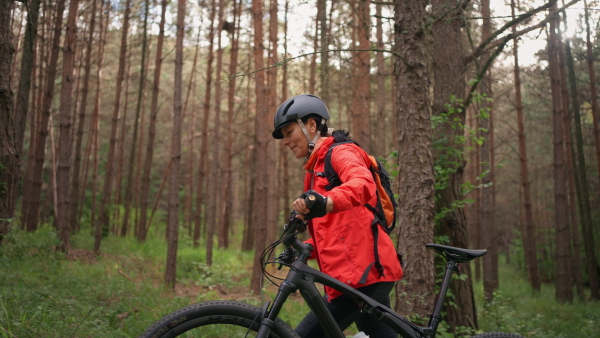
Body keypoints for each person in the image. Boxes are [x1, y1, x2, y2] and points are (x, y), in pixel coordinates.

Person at [272, 93, 403, 337]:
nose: (285, 141)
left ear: (311, 125)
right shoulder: (315, 169)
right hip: (356, 277)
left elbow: (363, 184)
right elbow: (335, 232)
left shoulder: (341, 153)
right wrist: (302, 248)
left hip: (363, 277)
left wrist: (327, 201)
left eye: (289, 132)